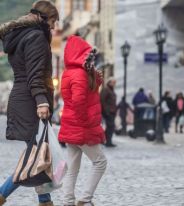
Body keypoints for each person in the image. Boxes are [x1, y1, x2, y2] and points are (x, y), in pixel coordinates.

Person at [0, 1, 59, 206]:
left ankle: (45, 200)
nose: (53, 26)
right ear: (43, 18)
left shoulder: (22, 36)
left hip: (23, 98)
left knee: (38, 152)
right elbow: (34, 76)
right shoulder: (36, 37)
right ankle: (2, 193)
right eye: (52, 21)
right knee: (34, 156)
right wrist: (42, 102)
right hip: (30, 102)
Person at [58, 36, 107, 206]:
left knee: (72, 168)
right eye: (88, 55)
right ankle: (85, 200)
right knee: (100, 162)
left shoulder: (71, 72)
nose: (90, 59)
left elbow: (88, 92)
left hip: (71, 127)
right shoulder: (79, 74)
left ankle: (67, 201)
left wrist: (97, 79)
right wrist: (86, 123)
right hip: (81, 127)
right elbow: (79, 101)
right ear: (80, 54)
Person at [100, 77, 117, 147]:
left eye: (115, 83)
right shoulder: (106, 89)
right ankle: (107, 141)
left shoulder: (111, 90)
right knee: (110, 126)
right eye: (113, 82)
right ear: (109, 82)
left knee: (111, 127)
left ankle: (108, 141)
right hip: (108, 111)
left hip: (112, 111)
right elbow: (102, 100)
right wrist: (106, 111)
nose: (114, 84)